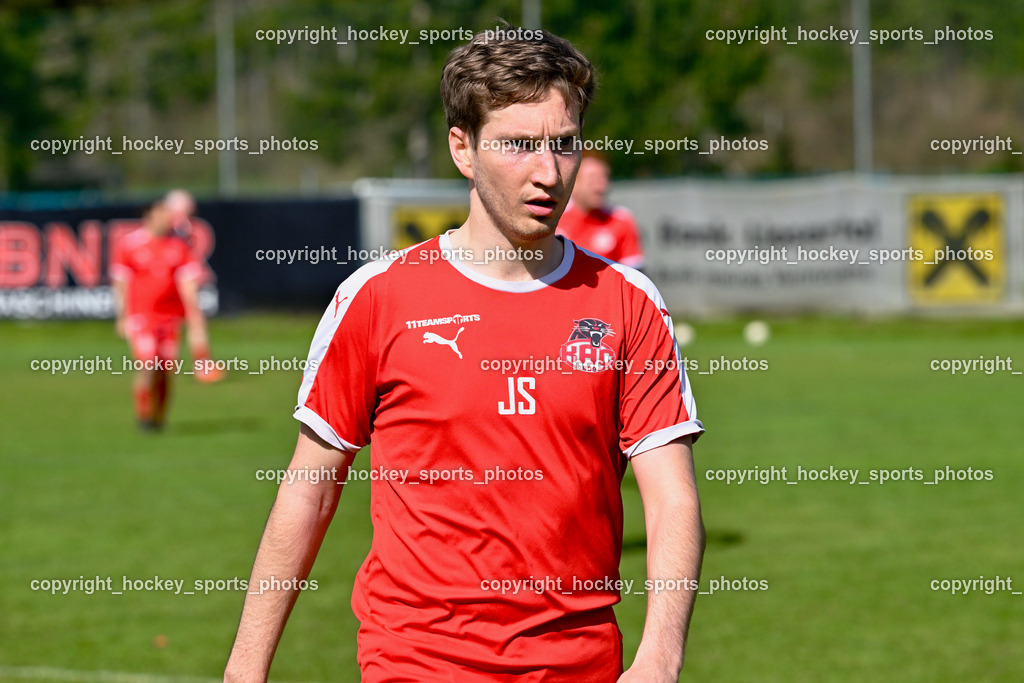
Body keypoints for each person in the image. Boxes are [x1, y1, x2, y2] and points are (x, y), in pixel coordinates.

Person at [225, 27, 704, 682]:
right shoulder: (377, 298)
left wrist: (661, 656)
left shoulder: (628, 303)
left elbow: (671, 495)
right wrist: (244, 669)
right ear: (463, 149)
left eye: (563, 145)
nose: (548, 172)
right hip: (416, 658)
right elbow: (310, 487)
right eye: (518, 145)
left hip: (579, 662)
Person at [110, 198, 211, 430]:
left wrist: (193, 313)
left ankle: (159, 416)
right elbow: (121, 282)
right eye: (163, 211)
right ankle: (143, 415)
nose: (168, 217)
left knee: (165, 369)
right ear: (150, 214)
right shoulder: (130, 244)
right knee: (147, 364)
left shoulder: (178, 246)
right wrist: (122, 316)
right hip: (141, 316)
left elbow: (188, 282)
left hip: (170, 318)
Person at [557, 150, 645, 269]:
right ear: (573, 182)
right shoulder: (554, 217)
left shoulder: (621, 219)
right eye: (592, 180)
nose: (600, 187)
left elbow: (635, 273)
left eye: (604, 178)